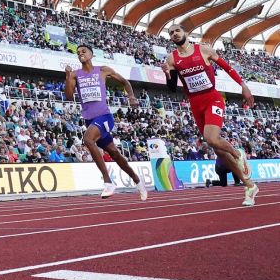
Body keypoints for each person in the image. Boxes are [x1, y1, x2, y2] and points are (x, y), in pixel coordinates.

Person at [163, 23, 257, 206]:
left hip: (212, 99)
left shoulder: (204, 49)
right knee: (218, 151)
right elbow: (173, 88)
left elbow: (228, 68)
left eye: (177, 30)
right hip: (195, 104)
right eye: (171, 32)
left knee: (211, 138)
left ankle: (238, 154)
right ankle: (249, 186)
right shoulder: (171, 58)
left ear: (186, 32)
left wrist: (243, 86)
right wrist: (167, 73)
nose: (174, 34)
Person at [63, 44, 147, 200]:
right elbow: (68, 96)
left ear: (91, 54)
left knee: (88, 139)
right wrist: (67, 77)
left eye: (84, 51)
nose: (80, 53)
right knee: (115, 153)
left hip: (105, 116)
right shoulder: (75, 74)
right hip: (90, 120)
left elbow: (125, 82)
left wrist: (131, 96)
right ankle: (137, 180)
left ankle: (108, 182)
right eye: (78, 52)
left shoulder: (103, 70)